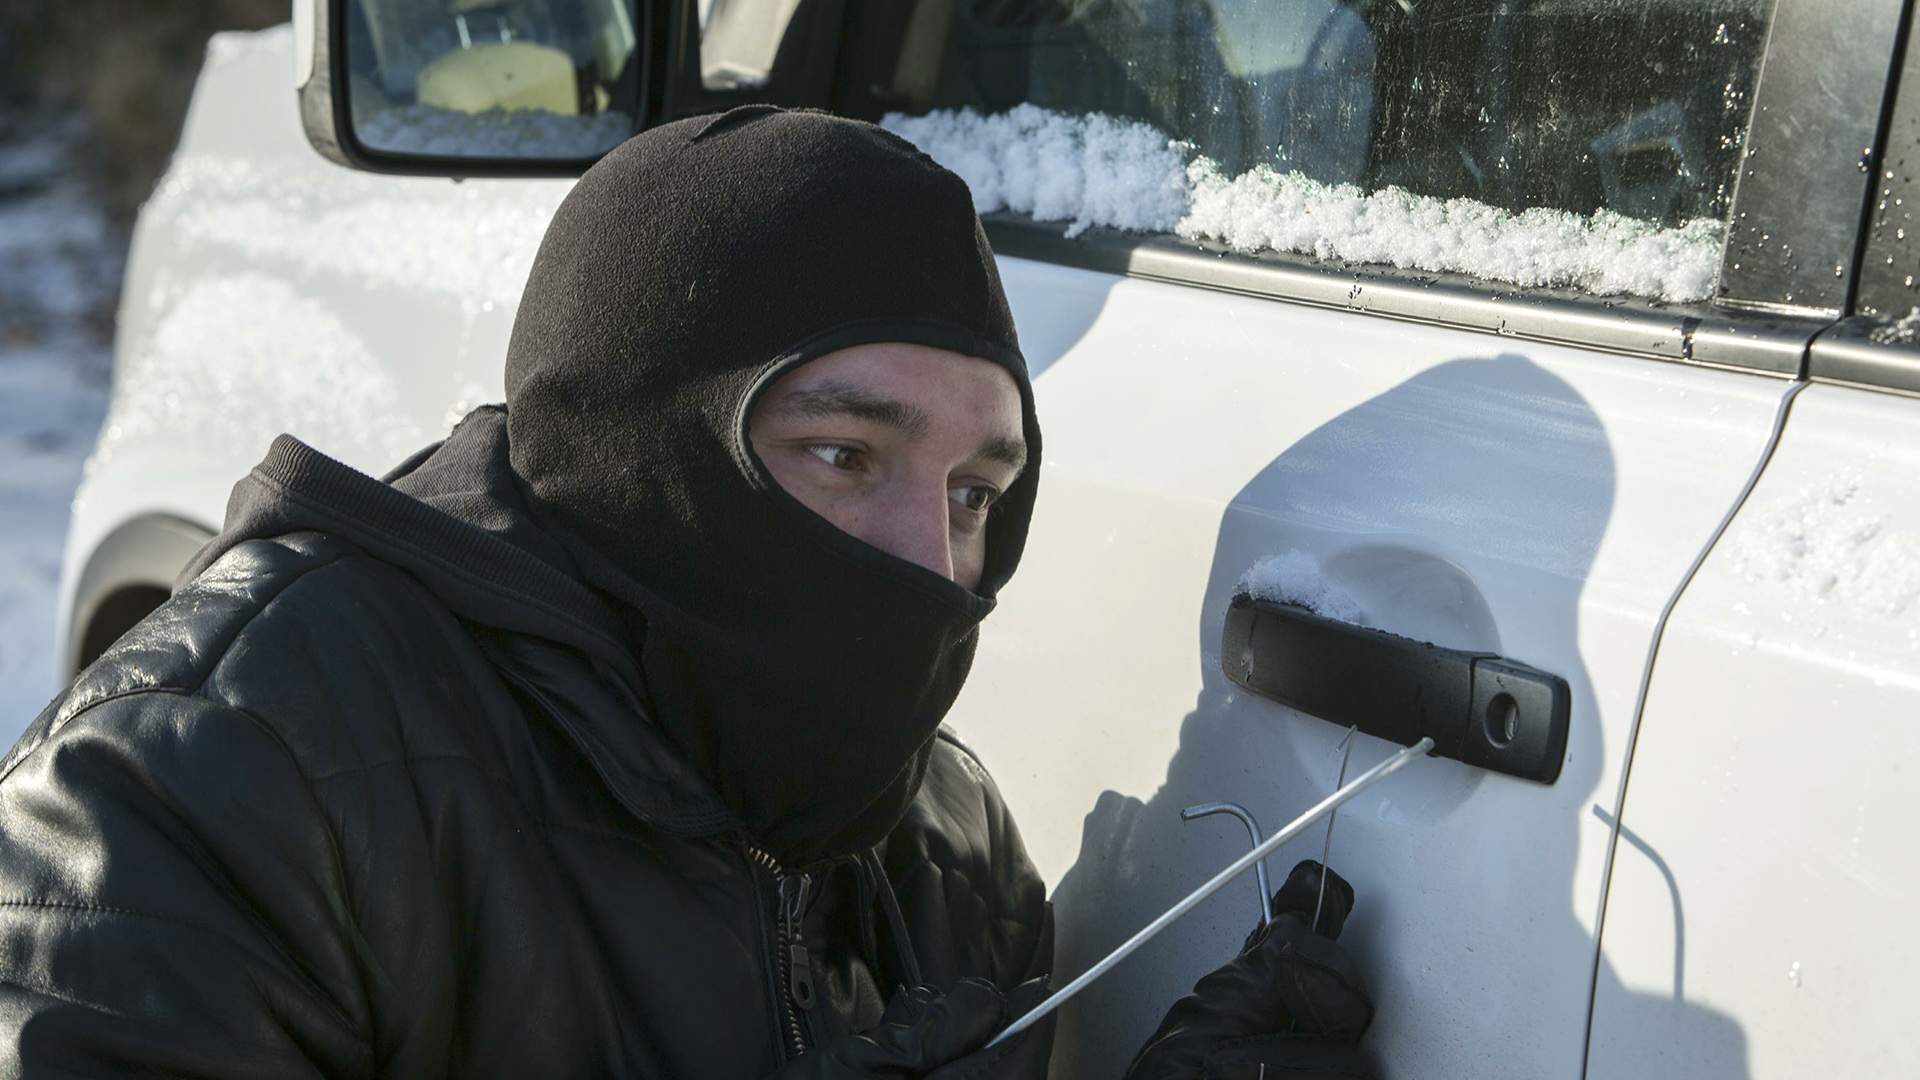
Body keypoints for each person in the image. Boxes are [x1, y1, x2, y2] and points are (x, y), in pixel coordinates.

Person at [0, 105, 1375, 1078]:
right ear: (637, 449)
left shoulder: (945, 854)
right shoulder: (216, 791)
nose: (926, 564)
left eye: (973, 494)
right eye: (845, 454)